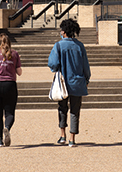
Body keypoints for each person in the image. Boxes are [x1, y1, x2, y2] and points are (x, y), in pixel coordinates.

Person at [48, 18, 91, 147]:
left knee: (62, 108)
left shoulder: (59, 45)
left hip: (63, 82)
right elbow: (85, 66)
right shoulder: (80, 46)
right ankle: (72, 138)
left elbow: (53, 63)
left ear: (64, 32)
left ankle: (63, 135)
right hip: (77, 82)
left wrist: (56, 69)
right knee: (75, 110)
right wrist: (87, 79)